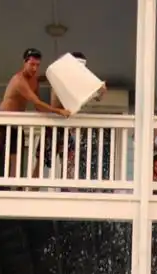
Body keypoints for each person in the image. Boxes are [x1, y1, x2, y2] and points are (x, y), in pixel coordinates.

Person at [0, 48, 70, 178]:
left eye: (37, 65)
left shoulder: (34, 81)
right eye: (32, 64)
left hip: (16, 125)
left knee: (16, 160)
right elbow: (37, 102)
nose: (34, 68)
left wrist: (62, 70)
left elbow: (38, 105)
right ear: (24, 63)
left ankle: (14, 188)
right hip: (2, 122)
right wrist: (59, 111)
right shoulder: (19, 80)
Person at [45, 52, 109, 180]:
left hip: (67, 125)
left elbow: (96, 97)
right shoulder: (61, 78)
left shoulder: (77, 81)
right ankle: (31, 188)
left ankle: (66, 185)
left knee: (69, 158)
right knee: (43, 159)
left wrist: (101, 90)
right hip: (55, 123)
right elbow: (58, 101)